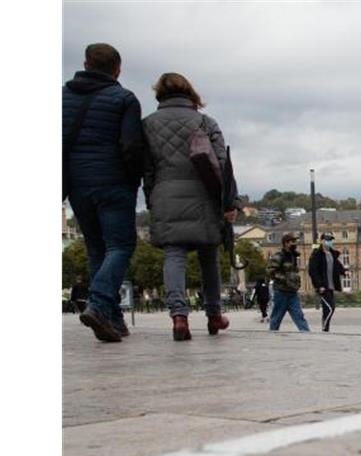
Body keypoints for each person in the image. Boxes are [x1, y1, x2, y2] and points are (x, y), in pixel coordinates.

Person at [142, 72, 238, 341]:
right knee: (209, 257)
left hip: (164, 194)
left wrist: (152, 198)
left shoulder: (147, 125)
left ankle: (179, 317)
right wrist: (231, 203)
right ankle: (214, 315)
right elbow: (223, 165)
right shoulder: (206, 122)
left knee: (174, 256)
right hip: (204, 197)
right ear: (190, 93)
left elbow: (146, 170)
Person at [63, 43, 144, 343]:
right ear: (117, 69)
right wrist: (134, 179)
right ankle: (98, 304)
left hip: (76, 185)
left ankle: (112, 319)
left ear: (85, 64)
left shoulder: (62, 96)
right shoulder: (124, 99)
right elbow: (132, 146)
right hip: (112, 181)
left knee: (97, 249)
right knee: (121, 246)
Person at [267, 233, 311, 332]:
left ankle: (306, 333)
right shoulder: (279, 256)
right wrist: (284, 279)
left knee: (299, 315)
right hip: (281, 291)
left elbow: (294, 272)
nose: (294, 244)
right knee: (277, 316)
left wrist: (295, 283)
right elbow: (270, 271)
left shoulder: (293, 256)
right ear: (286, 243)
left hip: (292, 292)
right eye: (292, 242)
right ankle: (272, 334)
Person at [309, 232, 346, 332]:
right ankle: (325, 328)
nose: (329, 242)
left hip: (331, 285)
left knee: (327, 308)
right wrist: (319, 285)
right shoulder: (317, 254)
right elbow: (313, 271)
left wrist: (344, 272)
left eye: (330, 240)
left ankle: (326, 329)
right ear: (322, 241)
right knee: (330, 308)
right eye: (327, 240)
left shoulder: (332, 254)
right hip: (323, 286)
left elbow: (337, 265)